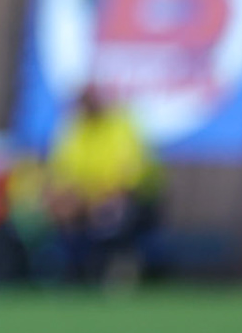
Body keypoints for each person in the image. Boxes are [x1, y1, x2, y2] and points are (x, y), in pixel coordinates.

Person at [41, 83, 159, 284]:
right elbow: (61, 173)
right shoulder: (74, 129)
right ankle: (72, 272)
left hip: (131, 200)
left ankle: (117, 269)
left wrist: (100, 197)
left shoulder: (122, 126)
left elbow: (129, 178)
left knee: (112, 212)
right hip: (88, 198)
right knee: (61, 210)